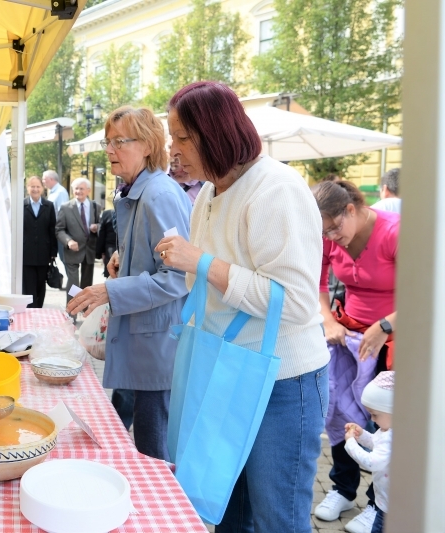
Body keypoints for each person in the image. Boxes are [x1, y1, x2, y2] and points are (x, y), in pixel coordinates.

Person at [155, 82, 330, 532]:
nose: (173, 150)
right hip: (226, 371)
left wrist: (202, 262)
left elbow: (292, 301)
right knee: (224, 509)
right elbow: (209, 284)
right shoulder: (210, 194)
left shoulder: (277, 188)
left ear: (215, 133)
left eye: (182, 137)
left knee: (278, 520)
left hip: (283, 382)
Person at [67, 106, 191, 460]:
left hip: (157, 346)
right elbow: (157, 260)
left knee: (154, 453)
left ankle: (164, 515)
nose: (109, 150)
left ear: (149, 145)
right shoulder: (138, 191)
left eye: (120, 141)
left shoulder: (159, 194)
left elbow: (178, 278)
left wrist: (108, 289)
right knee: (125, 439)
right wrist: (126, 261)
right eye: (108, 142)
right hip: (139, 341)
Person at [312, 179, 398, 533]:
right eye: (325, 233)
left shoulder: (393, 233)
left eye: (334, 228)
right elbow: (317, 285)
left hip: (392, 340)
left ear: (351, 209)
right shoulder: (328, 236)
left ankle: (379, 506)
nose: (332, 238)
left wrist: (385, 326)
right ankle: (343, 488)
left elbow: (427, 289)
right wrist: (329, 319)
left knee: (383, 424)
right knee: (341, 413)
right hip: (348, 336)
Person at [344, 371, 393, 533]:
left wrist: (351, 443)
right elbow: (377, 443)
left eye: (375, 414)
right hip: (386, 501)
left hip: (390, 507)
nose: (372, 420)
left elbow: (372, 462)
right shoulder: (388, 430)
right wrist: (361, 435)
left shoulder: (392, 436)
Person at [56, 178, 101, 310]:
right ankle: (72, 312)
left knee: (87, 284)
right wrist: (68, 241)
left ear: (88, 190)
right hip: (72, 251)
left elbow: (101, 224)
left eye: (81, 188)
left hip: (89, 250)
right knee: (73, 283)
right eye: (76, 188)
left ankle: (85, 309)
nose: (78, 191)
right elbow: (59, 230)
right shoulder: (65, 208)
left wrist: (97, 226)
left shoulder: (95, 206)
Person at [22, 176, 57, 308]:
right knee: (28, 287)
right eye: (32, 186)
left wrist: (53, 252)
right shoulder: (21, 205)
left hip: (44, 254)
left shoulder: (49, 206)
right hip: (26, 254)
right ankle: (31, 312)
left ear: (42, 188)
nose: (35, 189)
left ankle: (39, 310)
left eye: (38, 186)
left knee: (40, 285)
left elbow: (52, 229)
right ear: (27, 188)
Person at [43, 169, 69, 267]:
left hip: (58, 230)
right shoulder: (54, 192)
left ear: (51, 179)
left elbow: (62, 214)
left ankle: (72, 282)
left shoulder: (60, 192)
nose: (43, 181)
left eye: (44, 179)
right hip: (53, 230)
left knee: (64, 259)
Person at [95, 208, 117, 278]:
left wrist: (99, 252)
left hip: (110, 250)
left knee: (111, 276)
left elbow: (101, 234)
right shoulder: (134, 213)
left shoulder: (107, 214)